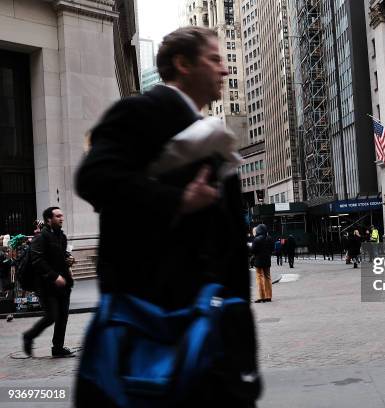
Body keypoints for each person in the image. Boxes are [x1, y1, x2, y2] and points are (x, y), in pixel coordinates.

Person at [75, 27, 259, 406]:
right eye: (214, 60)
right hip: (147, 333)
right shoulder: (138, 112)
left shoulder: (217, 138)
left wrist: (241, 346)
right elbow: (94, 178)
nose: (225, 71)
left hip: (211, 335)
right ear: (182, 64)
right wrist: (177, 200)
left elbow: (230, 251)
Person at [23, 207, 74, 358]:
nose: (61, 218)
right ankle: (29, 336)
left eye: (62, 215)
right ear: (48, 220)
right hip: (46, 285)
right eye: (57, 216)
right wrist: (54, 276)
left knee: (63, 316)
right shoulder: (41, 237)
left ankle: (57, 348)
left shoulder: (61, 236)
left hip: (63, 285)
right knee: (52, 316)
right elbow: (37, 260)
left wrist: (68, 259)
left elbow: (60, 256)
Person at [251, 224, 274, 303]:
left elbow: (252, 250)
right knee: (268, 277)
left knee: (259, 277)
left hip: (258, 261)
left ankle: (261, 297)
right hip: (267, 260)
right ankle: (268, 296)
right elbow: (272, 249)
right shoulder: (270, 238)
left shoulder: (256, 239)